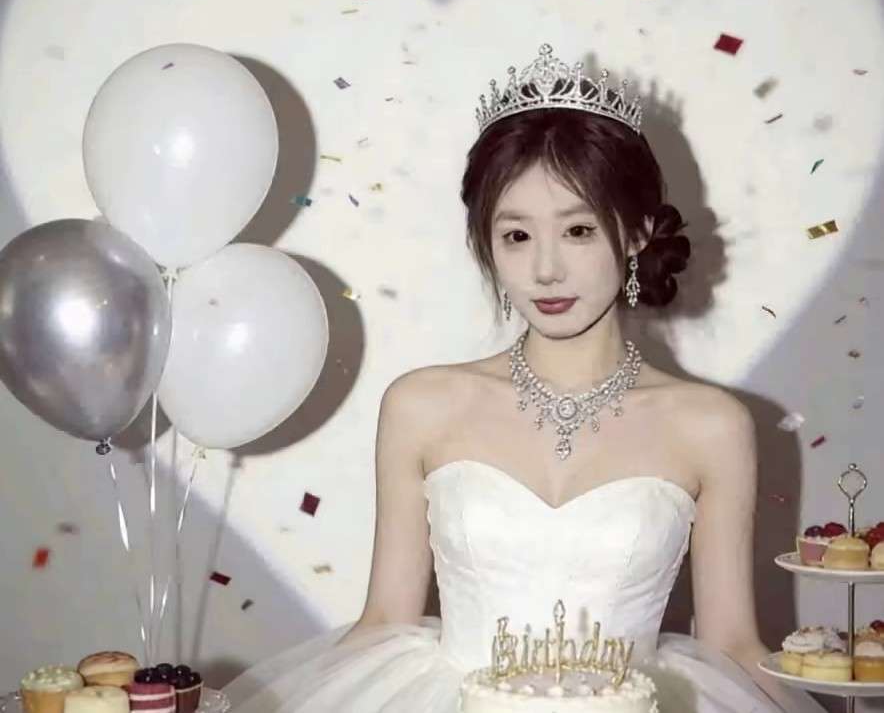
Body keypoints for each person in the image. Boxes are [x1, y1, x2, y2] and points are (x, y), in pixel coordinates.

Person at [223, 45, 826, 712]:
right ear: (486, 242)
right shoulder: (421, 406)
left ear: (637, 234)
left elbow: (731, 643)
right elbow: (385, 619)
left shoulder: (711, 425)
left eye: (578, 230)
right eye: (516, 236)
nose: (545, 270)